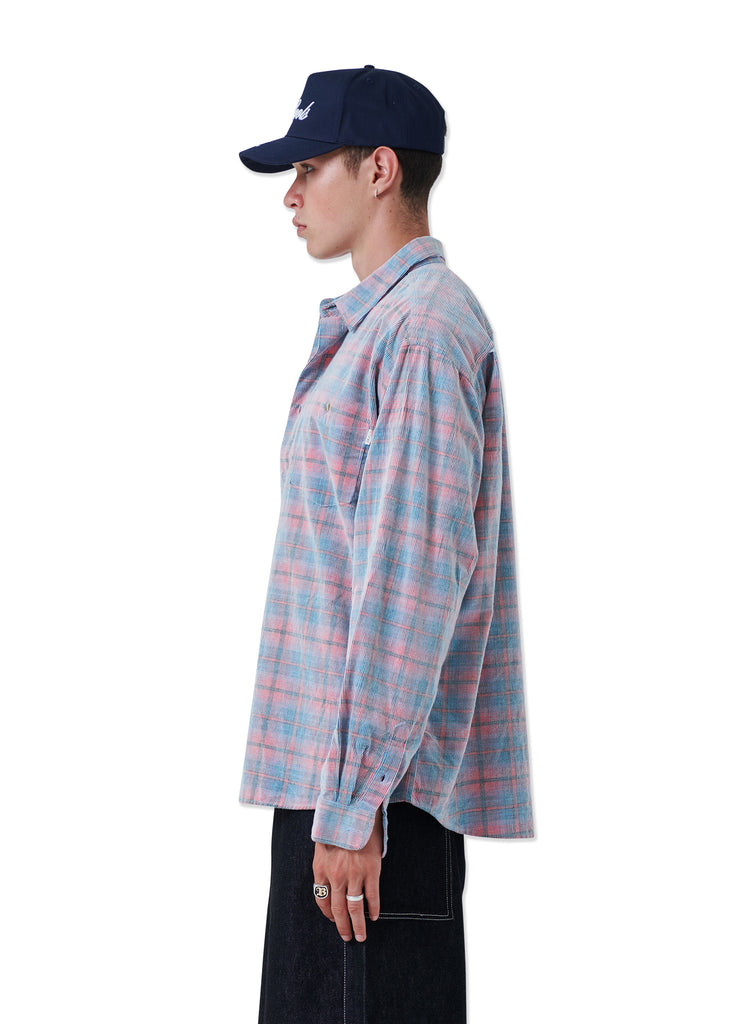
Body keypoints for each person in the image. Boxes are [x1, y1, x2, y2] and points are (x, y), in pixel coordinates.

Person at [237, 65, 535, 1024]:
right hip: (344, 792)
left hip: (371, 806)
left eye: (307, 168)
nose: (289, 195)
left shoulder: (419, 332)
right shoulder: (387, 328)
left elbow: (411, 579)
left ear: (377, 170)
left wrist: (353, 804)